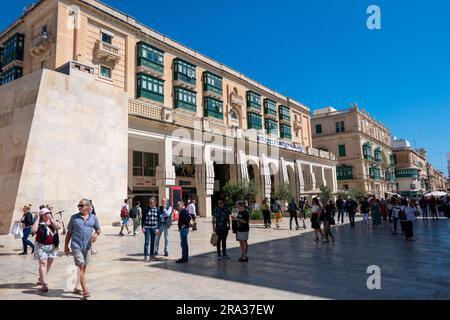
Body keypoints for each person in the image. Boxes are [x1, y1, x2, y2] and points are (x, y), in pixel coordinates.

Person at [65, 199, 101, 299]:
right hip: (76, 246)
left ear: (88, 207)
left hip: (88, 247)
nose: (79, 207)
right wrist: (66, 246)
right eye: (79, 206)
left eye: (81, 205)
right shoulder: (74, 218)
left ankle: (77, 287)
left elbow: (98, 230)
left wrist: (95, 234)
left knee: (83, 269)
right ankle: (85, 290)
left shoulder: (93, 218)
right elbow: (69, 233)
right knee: (81, 266)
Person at [31, 208, 62, 292]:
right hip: (41, 246)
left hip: (52, 246)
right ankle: (44, 283)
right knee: (43, 264)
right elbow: (33, 230)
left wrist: (51, 219)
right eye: (45, 213)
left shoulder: (53, 220)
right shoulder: (39, 223)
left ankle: (41, 277)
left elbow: (59, 227)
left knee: (50, 262)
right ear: (41, 215)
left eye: (49, 213)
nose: (47, 214)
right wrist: (37, 218)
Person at [142, 197, 160, 262]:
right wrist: (143, 227)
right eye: (149, 202)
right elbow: (143, 218)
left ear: (155, 203)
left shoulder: (157, 209)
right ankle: (146, 256)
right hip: (147, 228)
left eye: (152, 203)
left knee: (153, 242)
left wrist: (157, 228)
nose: (150, 204)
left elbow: (159, 220)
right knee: (147, 242)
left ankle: (152, 256)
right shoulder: (146, 209)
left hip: (154, 228)